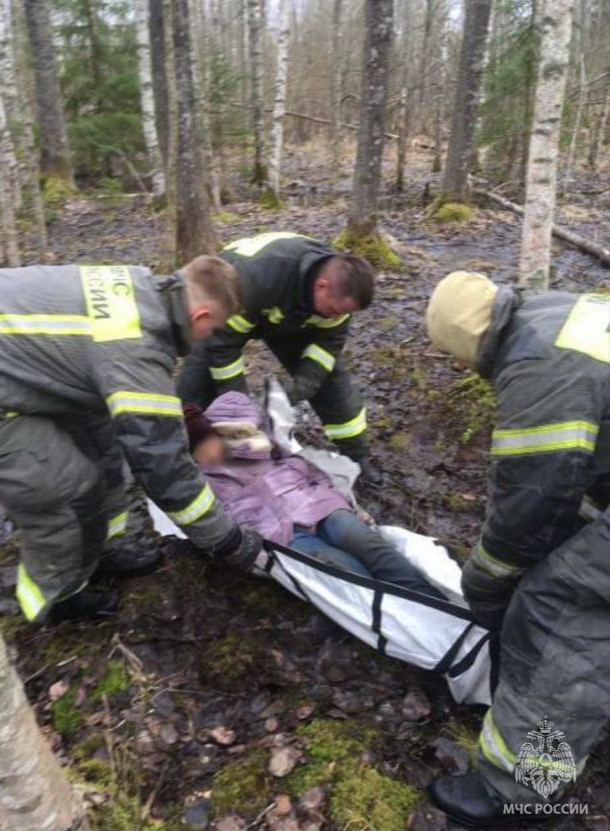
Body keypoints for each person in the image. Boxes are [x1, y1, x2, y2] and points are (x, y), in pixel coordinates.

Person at [0, 258, 263, 624]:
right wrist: (226, 540)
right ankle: (55, 597)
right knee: (64, 489)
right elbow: (164, 467)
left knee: (104, 445)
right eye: (216, 328)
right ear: (201, 316)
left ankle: (97, 552)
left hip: (11, 357)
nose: (212, 337)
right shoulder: (136, 351)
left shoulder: (140, 284)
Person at [424, 271, 610, 826]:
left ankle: (526, 795)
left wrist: (486, 583)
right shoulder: (561, 311)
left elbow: (531, 502)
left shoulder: (537, 369)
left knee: (556, 617)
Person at [183, 391, 445, 597]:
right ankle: (392, 616)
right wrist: (256, 557)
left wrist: (349, 504)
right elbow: (215, 530)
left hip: (316, 505)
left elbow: (314, 471)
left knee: (361, 539)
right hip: (279, 536)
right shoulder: (199, 483)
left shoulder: (259, 443)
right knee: (339, 567)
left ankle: (430, 602)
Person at [176, 232, 382, 485]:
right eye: (332, 311)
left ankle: (357, 458)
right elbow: (222, 346)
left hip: (293, 318)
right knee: (193, 390)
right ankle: (180, 463)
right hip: (237, 307)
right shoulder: (254, 281)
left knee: (335, 388)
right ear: (322, 286)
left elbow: (329, 344)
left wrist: (304, 385)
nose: (334, 318)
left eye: (341, 314)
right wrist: (239, 404)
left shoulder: (342, 293)